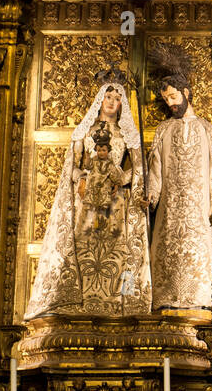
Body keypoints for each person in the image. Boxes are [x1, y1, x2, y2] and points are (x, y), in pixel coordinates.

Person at [26, 78, 152, 317]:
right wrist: (82, 178)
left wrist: (120, 180)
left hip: (115, 205)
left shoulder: (127, 135)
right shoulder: (85, 131)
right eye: (109, 97)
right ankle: (81, 302)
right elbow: (70, 168)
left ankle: (117, 304)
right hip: (87, 201)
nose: (113, 102)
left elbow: (138, 168)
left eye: (117, 99)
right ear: (100, 100)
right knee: (85, 250)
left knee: (114, 254)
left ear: (122, 103)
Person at [147, 72, 212, 311]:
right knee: (166, 252)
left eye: (174, 97)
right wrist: (151, 195)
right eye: (166, 99)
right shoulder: (163, 129)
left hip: (198, 208)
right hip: (170, 209)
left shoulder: (208, 129)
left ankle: (198, 299)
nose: (171, 104)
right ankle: (168, 300)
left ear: (186, 93)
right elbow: (156, 168)